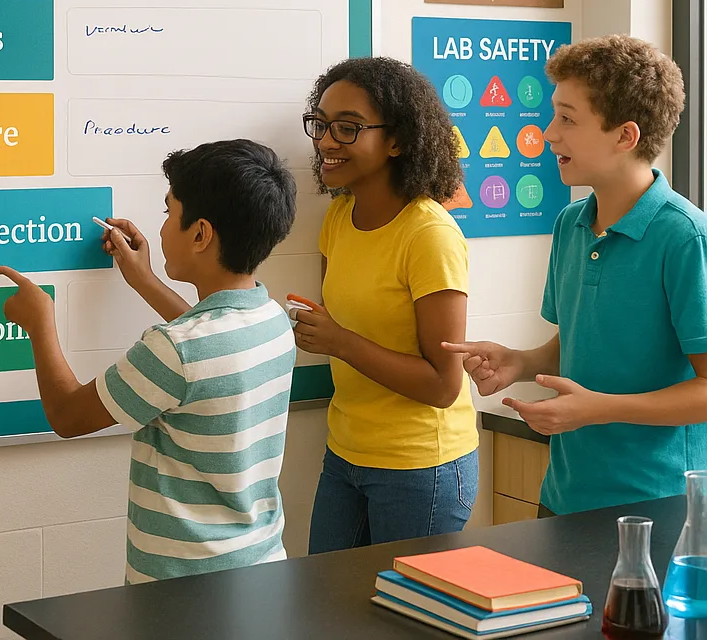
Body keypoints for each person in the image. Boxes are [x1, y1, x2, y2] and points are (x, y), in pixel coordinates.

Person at [0, 139, 297, 583]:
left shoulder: (174, 350)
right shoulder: (269, 319)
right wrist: (144, 279)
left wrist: (40, 321)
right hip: (259, 567)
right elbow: (206, 352)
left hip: (179, 592)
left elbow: (66, 415)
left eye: (168, 213)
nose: (160, 230)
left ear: (200, 234)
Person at [446, 35, 707, 516]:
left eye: (567, 119)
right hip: (563, 497)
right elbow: (575, 340)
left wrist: (599, 408)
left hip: (659, 506)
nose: (549, 133)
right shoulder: (571, 224)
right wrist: (519, 363)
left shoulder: (685, 237)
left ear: (625, 136)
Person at [294, 56, 478, 552]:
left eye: (349, 129)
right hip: (346, 452)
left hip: (422, 467)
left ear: (397, 141)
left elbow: (443, 384)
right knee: (327, 608)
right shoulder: (338, 215)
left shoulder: (429, 234)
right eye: (322, 124)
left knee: (404, 625)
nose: (327, 142)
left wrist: (340, 342)